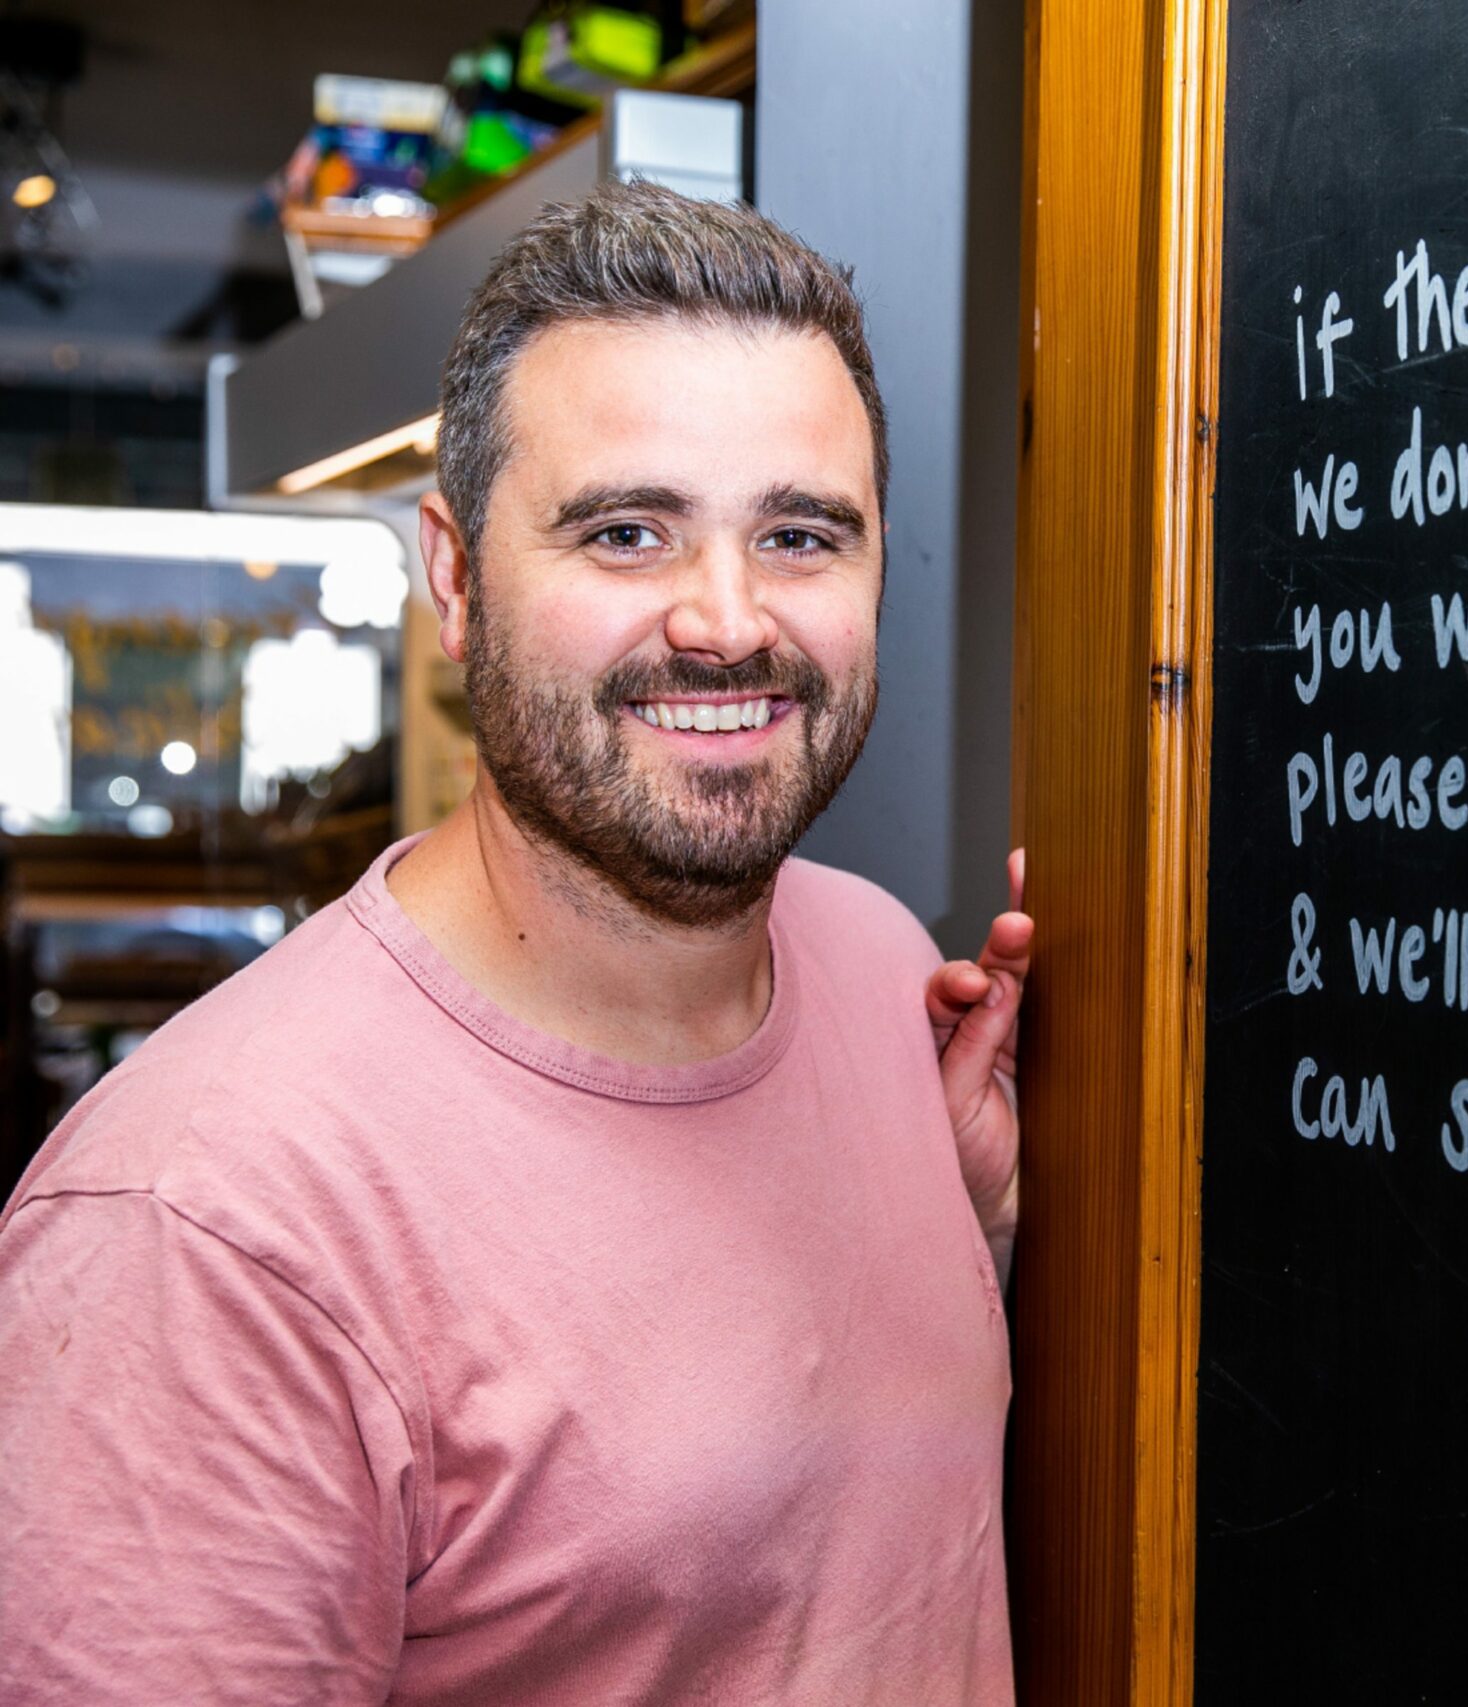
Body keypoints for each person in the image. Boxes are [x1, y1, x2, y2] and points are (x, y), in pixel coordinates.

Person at [0, 179, 1029, 1704]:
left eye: (802, 535)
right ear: (457, 576)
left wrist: (987, 1240)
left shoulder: (885, 970)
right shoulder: (201, 1229)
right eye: (627, 533)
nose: (727, 620)